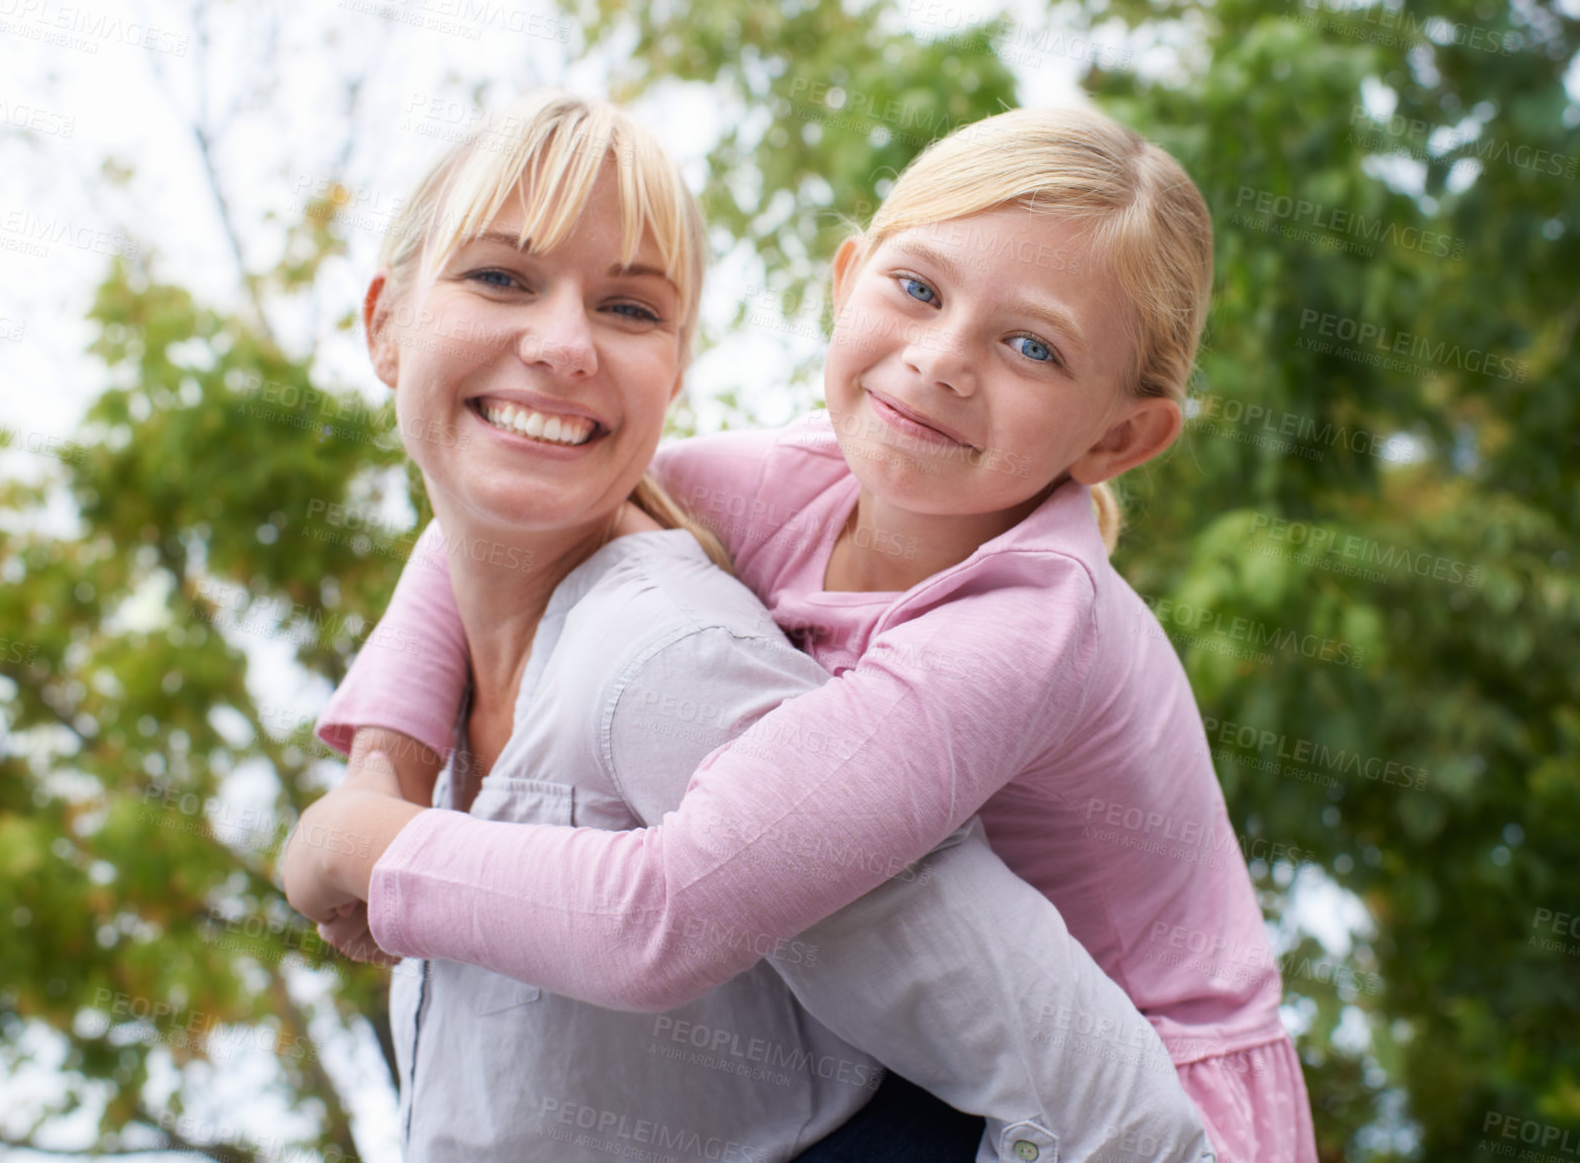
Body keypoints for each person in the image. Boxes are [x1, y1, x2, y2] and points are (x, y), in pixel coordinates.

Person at [280, 90, 1214, 1163]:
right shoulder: (733, 499)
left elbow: (1119, 1117)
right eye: (500, 275)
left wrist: (362, 846)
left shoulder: (681, 654)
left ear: (673, 371)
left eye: (629, 308)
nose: (561, 345)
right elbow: (464, 543)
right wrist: (379, 768)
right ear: (382, 322)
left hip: (1176, 1077)